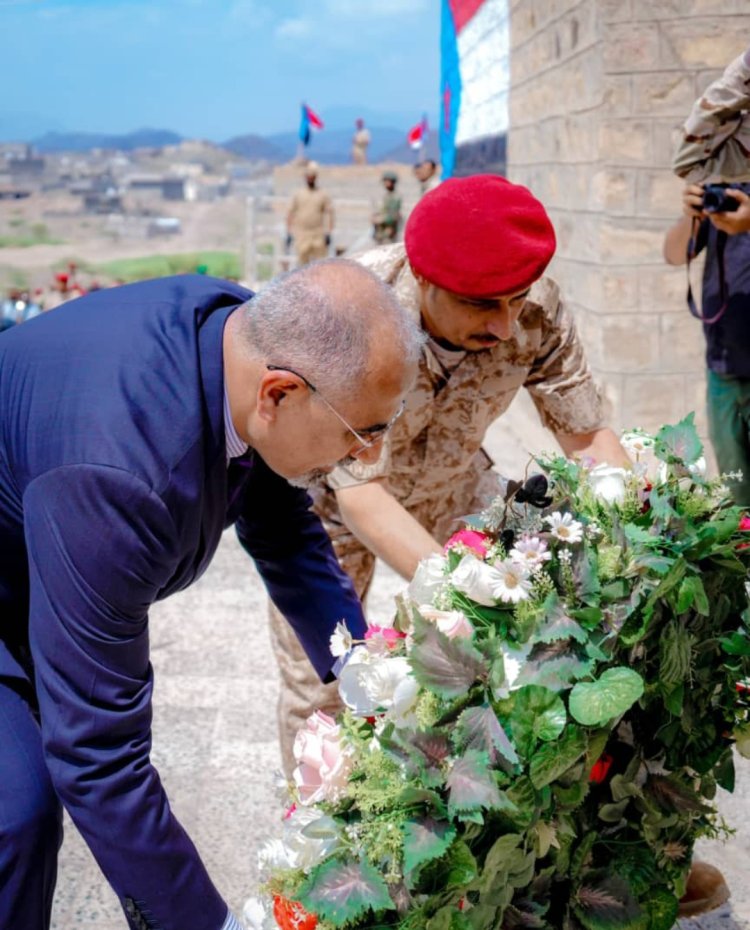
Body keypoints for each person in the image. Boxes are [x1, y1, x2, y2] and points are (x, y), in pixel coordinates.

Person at [0, 261, 422, 930]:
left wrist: (366, 675)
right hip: (20, 574)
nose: (369, 458)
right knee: (13, 815)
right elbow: (99, 757)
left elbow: (283, 529)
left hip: (42, 548)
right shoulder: (117, 473)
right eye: (361, 431)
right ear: (278, 394)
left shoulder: (238, 337)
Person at [272, 174, 629, 774]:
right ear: (426, 280)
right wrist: (467, 592)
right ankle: (326, 850)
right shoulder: (355, 312)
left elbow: (587, 436)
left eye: (517, 301)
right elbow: (362, 494)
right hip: (329, 511)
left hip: (453, 482)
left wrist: (635, 525)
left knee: (514, 660)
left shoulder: (529, 304)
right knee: (327, 689)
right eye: (483, 305)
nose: (506, 327)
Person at [664, 45, 750, 508]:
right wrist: (691, 217)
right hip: (724, 370)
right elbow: (674, 255)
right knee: (737, 492)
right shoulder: (725, 187)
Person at [286, 161, 334, 267]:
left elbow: (330, 213)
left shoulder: (322, 194)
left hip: (318, 235)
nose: (310, 178)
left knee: (321, 266)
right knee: (302, 267)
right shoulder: (298, 194)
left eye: (312, 176)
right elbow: (290, 213)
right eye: (309, 176)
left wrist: (329, 233)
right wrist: (289, 232)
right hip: (302, 235)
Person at [372, 170, 402, 244]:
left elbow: (394, 215)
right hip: (379, 232)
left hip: (389, 232)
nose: (386, 183)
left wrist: (381, 219)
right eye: (385, 181)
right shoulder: (384, 195)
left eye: (388, 181)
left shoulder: (396, 196)